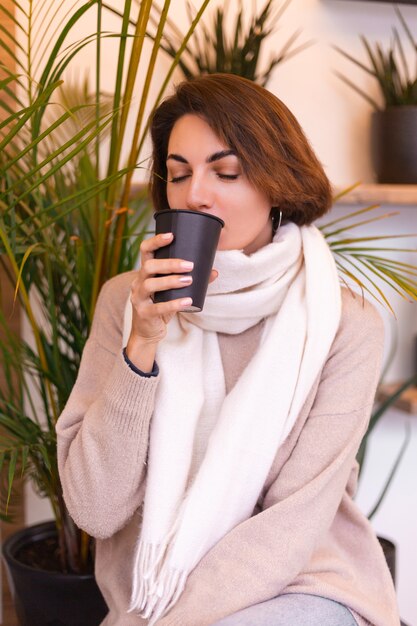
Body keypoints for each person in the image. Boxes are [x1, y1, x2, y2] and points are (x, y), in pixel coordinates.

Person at [56, 74, 400, 626]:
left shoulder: (342, 324)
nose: (195, 194)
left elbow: (288, 525)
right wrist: (141, 343)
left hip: (303, 583)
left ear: (276, 183)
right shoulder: (127, 303)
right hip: (151, 595)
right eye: (177, 174)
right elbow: (95, 508)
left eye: (227, 171)